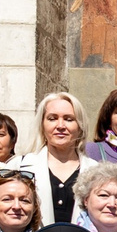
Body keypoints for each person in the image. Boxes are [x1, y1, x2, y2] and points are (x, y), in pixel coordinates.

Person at [28, 93, 89, 225]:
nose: (60, 126)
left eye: (68, 119)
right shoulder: (20, 166)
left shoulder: (96, 171)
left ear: (80, 126)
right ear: (42, 125)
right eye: (52, 119)